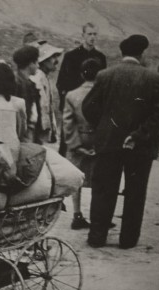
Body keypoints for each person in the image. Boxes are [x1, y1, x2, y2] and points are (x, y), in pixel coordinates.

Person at [82, 34, 159, 249]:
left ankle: (97, 237)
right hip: (141, 146)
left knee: (103, 189)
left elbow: (88, 106)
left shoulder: (104, 75)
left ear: (122, 54)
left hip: (109, 142)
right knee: (135, 192)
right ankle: (128, 240)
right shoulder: (154, 79)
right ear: (141, 54)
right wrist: (137, 135)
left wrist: (105, 127)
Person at [57, 23, 107, 156]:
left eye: (95, 34)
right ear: (83, 35)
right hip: (74, 103)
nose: (92, 37)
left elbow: (103, 83)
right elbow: (61, 83)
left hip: (94, 105)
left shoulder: (101, 57)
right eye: (89, 34)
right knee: (69, 140)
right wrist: (67, 103)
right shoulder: (71, 56)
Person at [62, 58, 101, 229]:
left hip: (79, 139)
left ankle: (77, 214)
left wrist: (76, 146)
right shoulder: (104, 93)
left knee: (77, 178)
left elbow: (68, 123)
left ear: (81, 74)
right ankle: (98, 217)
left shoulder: (72, 95)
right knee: (99, 180)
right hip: (99, 141)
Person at [30, 43, 63, 144]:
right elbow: (42, 105)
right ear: (44, 61)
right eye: (53, 57)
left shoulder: (45, 77)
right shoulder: (38, 78)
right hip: (38, 127)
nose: (56, 61)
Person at [13, 45, 41, 143]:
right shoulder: (19, 83)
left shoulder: (25, 82)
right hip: (22, 132)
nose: (38, 65)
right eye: (36, 62)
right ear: (30, 64)